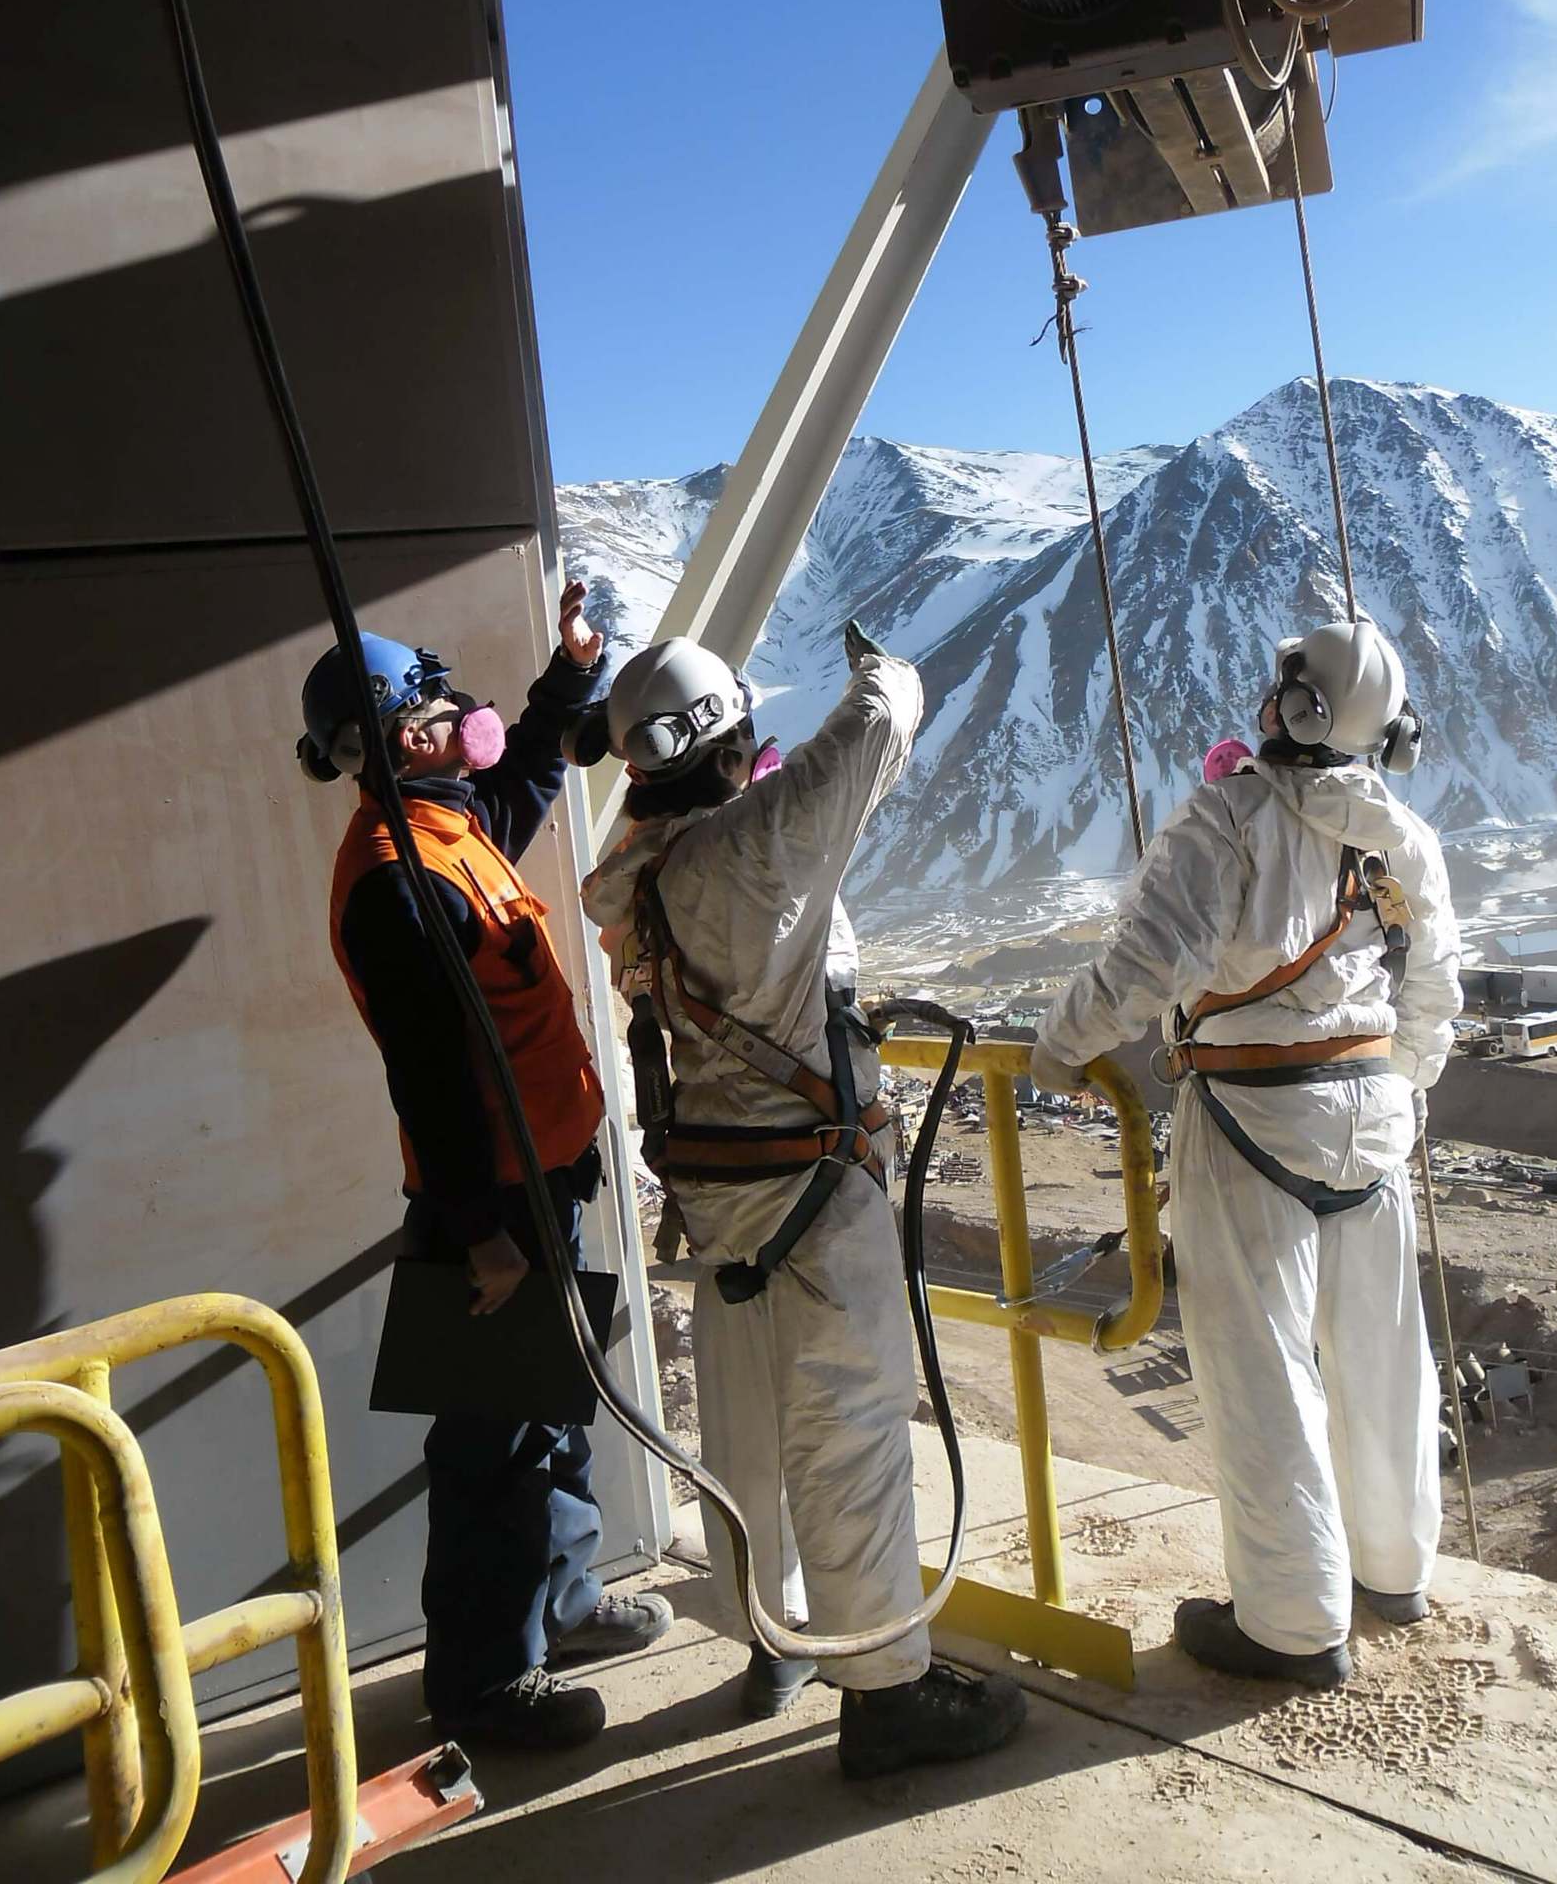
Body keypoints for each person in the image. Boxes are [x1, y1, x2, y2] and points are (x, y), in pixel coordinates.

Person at [580, 622, 1026, 1780]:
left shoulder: (636, 881)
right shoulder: (762, 844)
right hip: (813, 1193)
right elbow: (879, 728)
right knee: (849, 1436)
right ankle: (885, 1692)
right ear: (733, 749)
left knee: (747, 1427)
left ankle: (772, 1641)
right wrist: (879, 662)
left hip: (721, 1200)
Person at [1031, 614, 1462, 1690]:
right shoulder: (1400, 837)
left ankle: (1291, 1623)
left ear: (1297, 705)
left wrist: (1054, 1051)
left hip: (1249, 1111)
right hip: (1371, 1109)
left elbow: (1141, 965)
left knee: (1264, 1371)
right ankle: (1396, 1568)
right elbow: (1436, 988)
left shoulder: (1224, 821)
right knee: (1381, 1354)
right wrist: (1399, 1084)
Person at [297, 585, 671, 1751]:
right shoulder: (392, 878)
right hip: (490, 1202)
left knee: (547, 1412)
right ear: (402, 732)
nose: (464, 709)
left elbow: (531, 777)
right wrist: (481, 1232)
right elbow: (432, 1077)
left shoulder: (447, 828)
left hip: (545, 1176)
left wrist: (571, 675)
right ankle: (481, 1681)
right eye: (437, 697)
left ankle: (560, 1602)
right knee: (486, 1444)